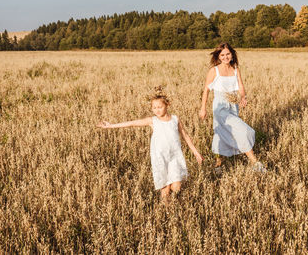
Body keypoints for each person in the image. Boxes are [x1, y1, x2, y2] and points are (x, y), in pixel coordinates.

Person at [97, 86, 204, 204]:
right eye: (154, 108)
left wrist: (195, 152)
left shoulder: (175, 119)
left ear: (167, 105)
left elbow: (185, 135)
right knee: (165, 188)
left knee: (176, 186)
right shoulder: (153, 121)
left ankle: (180, 203)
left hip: (174, 156)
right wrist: (111, 125)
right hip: (160, 158)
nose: (157, 110)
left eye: (160, 107)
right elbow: (132, 123)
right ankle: (166, 210)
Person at [199, 42, 266, 173]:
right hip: (220, 106)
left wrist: (243, 97)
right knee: (242, 130)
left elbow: (240, 85)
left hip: (233, 105)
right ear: (218, 56)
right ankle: (255, 162)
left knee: (222, 133)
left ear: (232, 54)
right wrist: (203, 108)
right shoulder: (214, 71)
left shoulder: (235, 68)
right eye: (222, 54)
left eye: (228, 54)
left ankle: (218, 165)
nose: (225, 57)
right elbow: (206, 90)